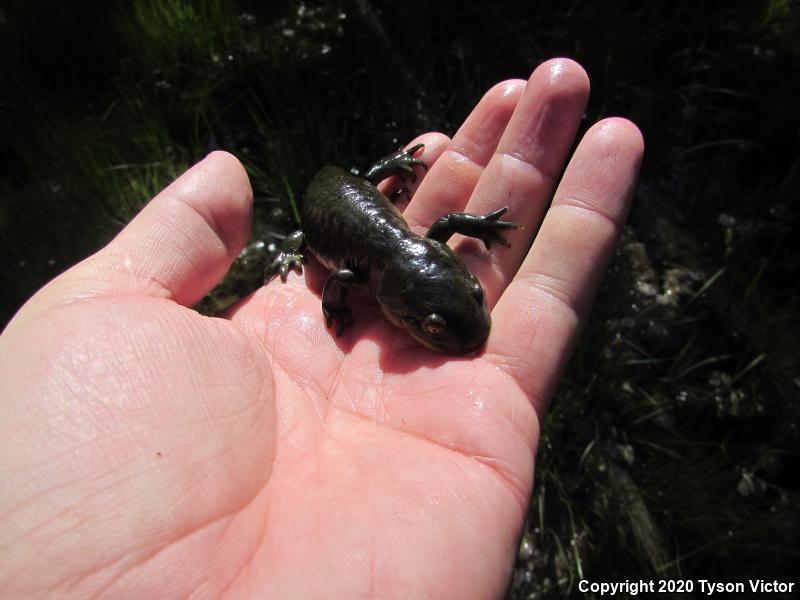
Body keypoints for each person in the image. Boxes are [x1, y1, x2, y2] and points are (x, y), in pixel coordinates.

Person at [0, 58, 642, 598]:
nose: (461, 322)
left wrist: (472, 230)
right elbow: (340, 279)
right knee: (330, 222)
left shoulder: (421, 247)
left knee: (365, 201)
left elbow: (445, 229)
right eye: (432, 323)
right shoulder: (361, 277)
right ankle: (362, 186)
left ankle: (382, 172)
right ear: (392, 303)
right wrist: (335, 308)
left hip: (367, 207)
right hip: (330, 202)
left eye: (466, 293)